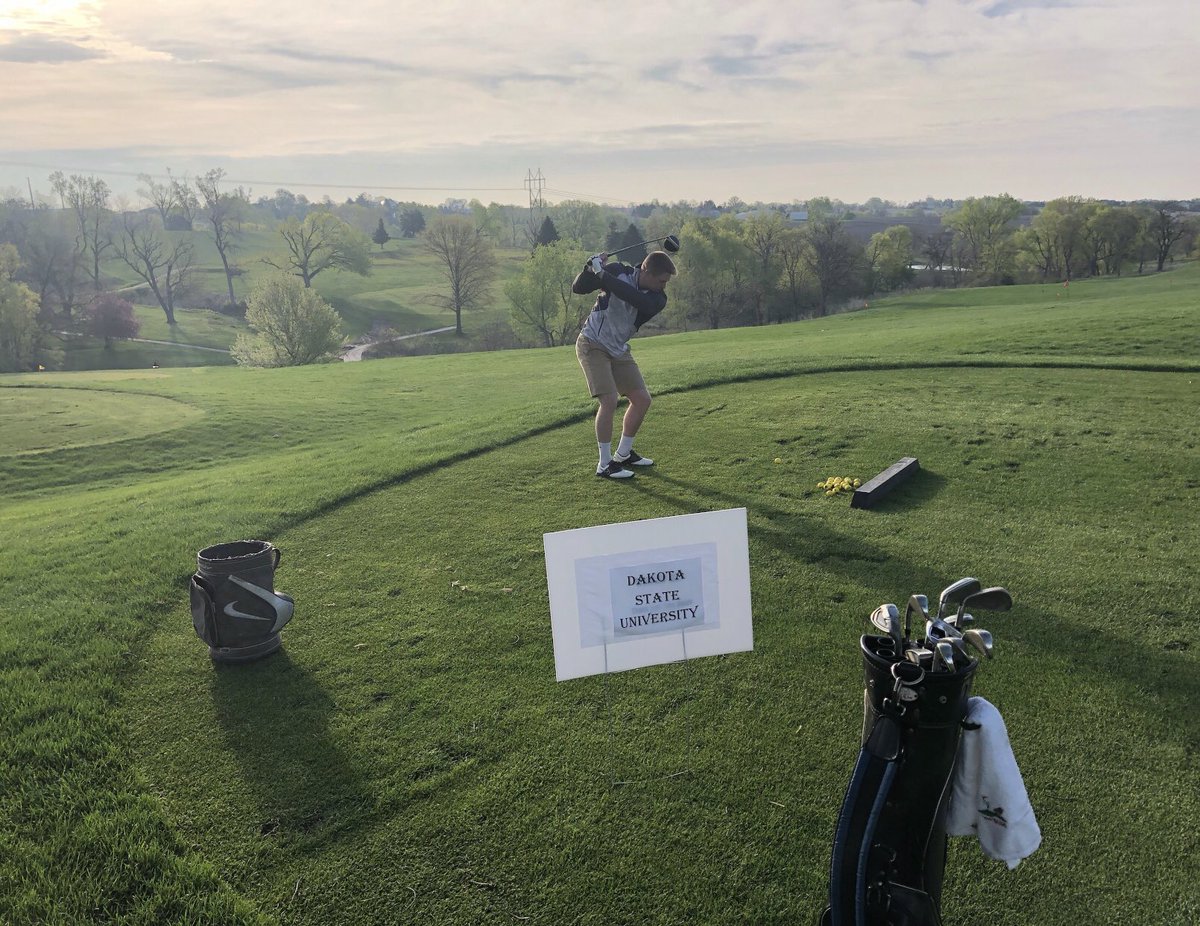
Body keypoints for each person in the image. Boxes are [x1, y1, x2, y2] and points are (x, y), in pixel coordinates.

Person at [572, 249, 676, 479]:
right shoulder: (617, 271)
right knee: (608, 401)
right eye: (661, 281)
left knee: (642, 400)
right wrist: (590, 268)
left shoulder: (658, 299)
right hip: (593, 344)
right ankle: (605, 464)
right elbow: (579, 288)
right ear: (646, 270)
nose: (663, 286)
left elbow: (634, 298)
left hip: (618, 349)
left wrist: (602, 275)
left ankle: (623, 454)